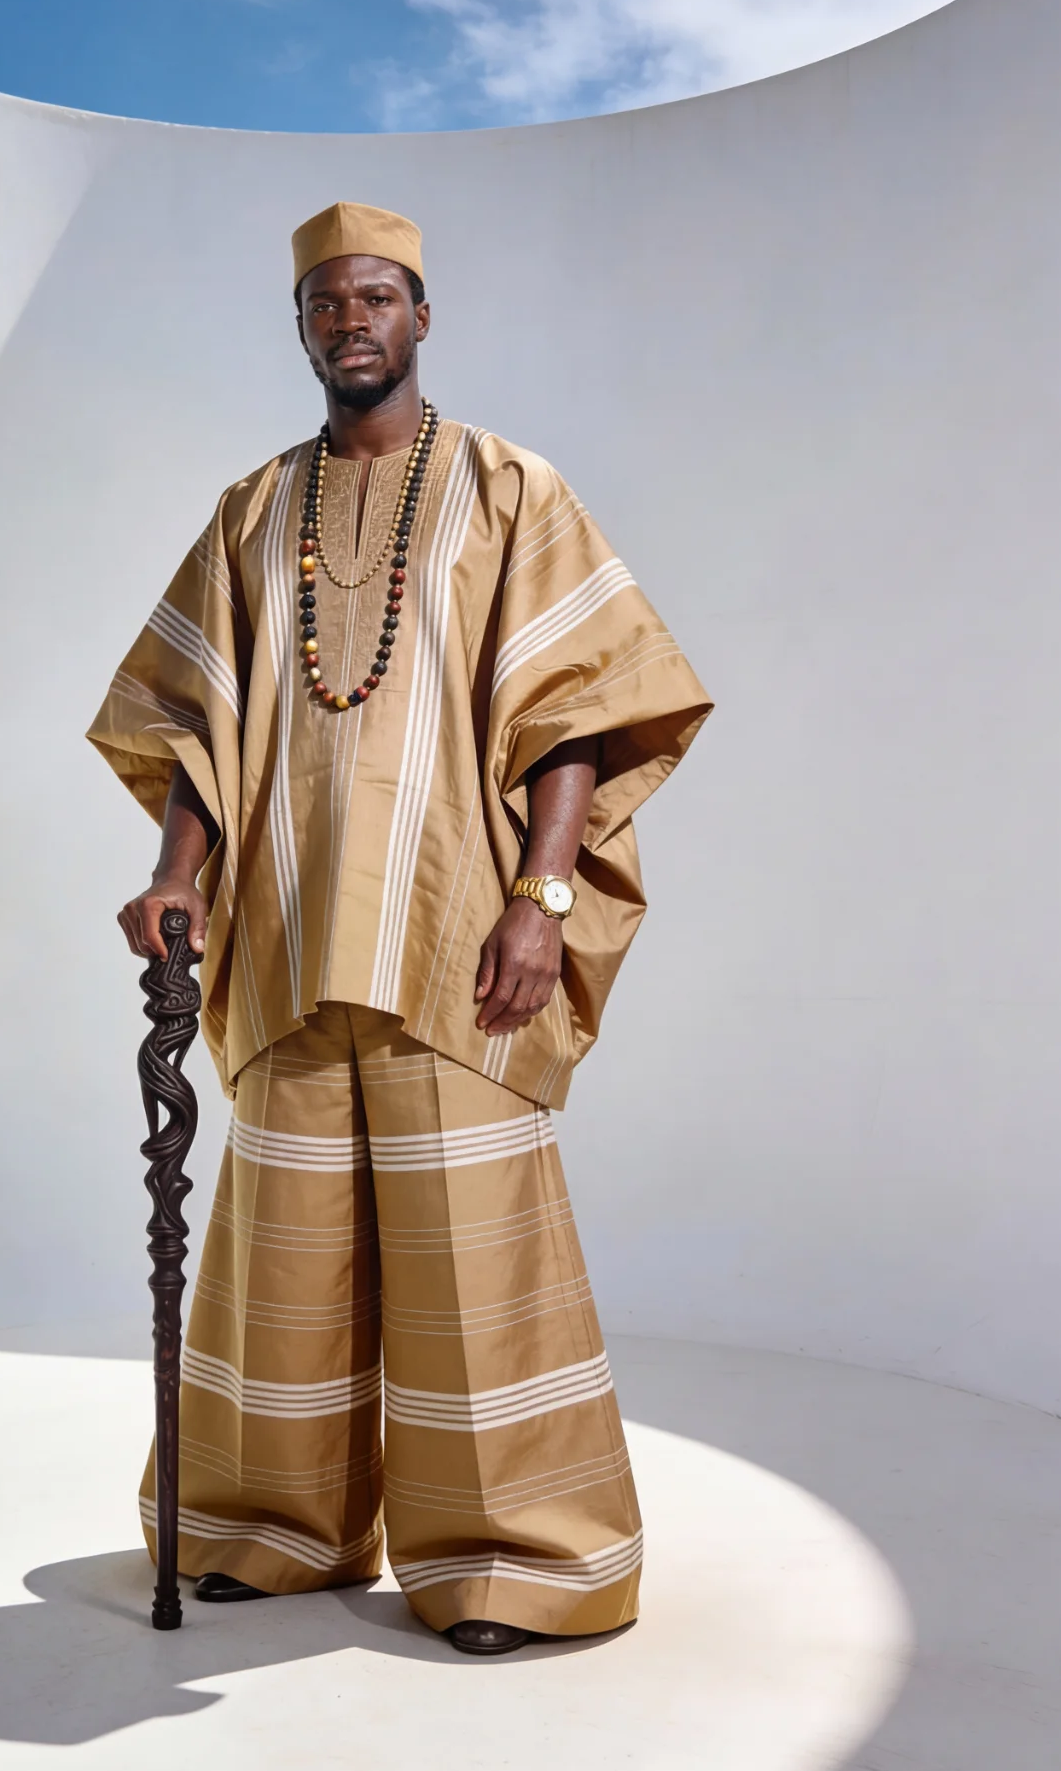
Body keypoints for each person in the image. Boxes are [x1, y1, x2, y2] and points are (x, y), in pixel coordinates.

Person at [90, 201, 711, 1656]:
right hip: (293, 929)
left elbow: (581, 710)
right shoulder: (253, 512)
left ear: (421, 317)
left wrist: (542, 897)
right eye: (324, 302)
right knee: (281, 1252)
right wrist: (179, 872)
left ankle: (509, 1556)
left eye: (375, 297)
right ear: (302, 326)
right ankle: (263, 1525)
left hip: (452, 934)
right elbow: (194, 727)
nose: (349, 320)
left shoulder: (510, 489)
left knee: (473, 1253)